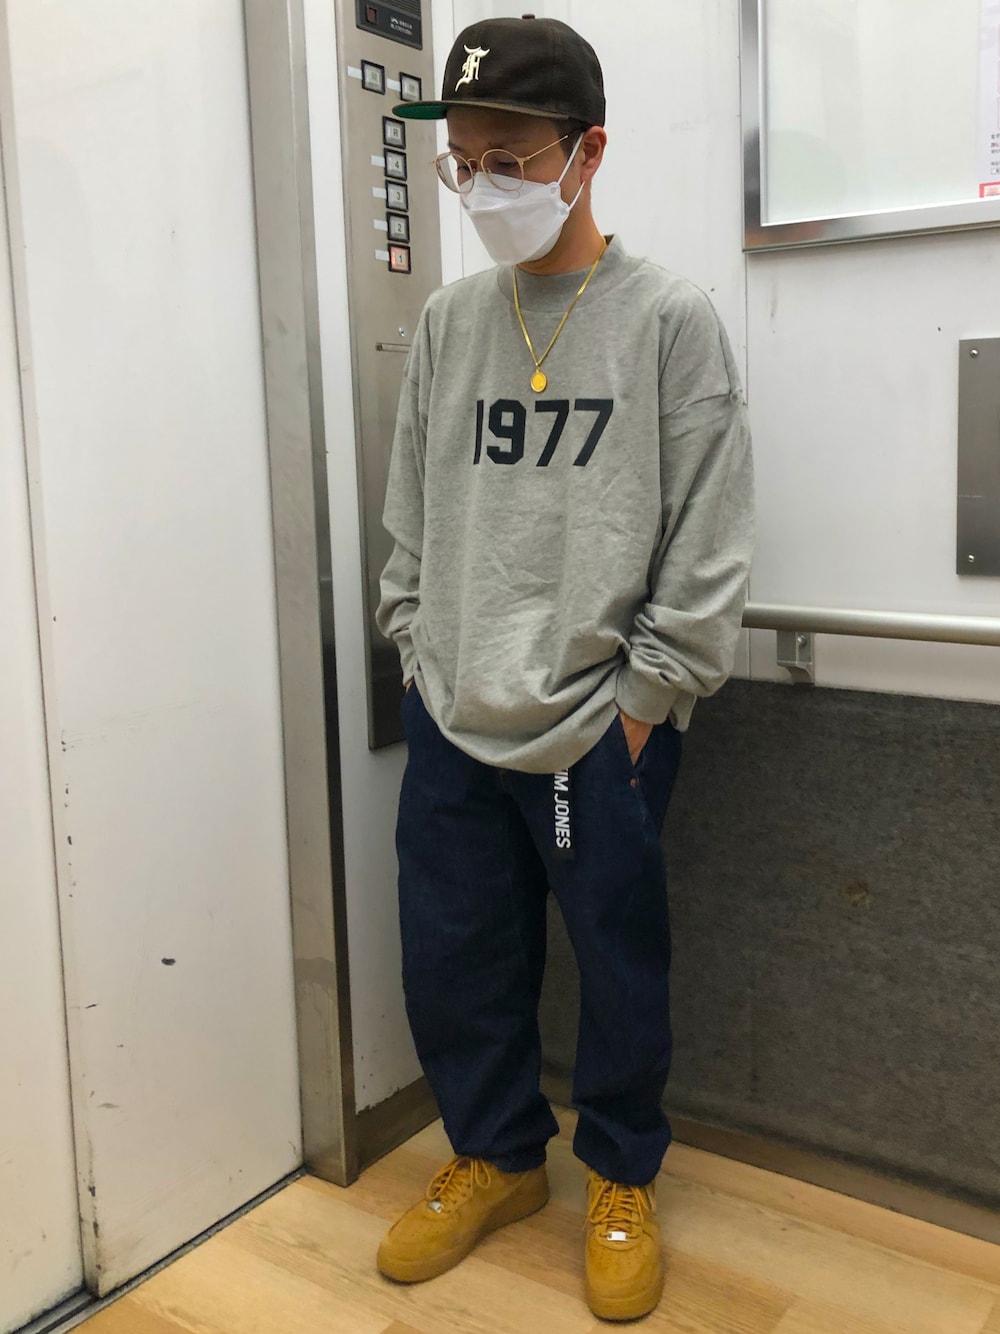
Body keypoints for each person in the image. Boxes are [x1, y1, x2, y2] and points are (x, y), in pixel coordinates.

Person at [375, 14, 754, 1322]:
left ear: (586, 154)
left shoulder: (669, 322)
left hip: (601, 719)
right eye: (462, 160)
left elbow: (708, 539)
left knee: (619, 965)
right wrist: (416, 645)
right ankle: (495, 1157)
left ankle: (621, 1174)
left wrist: (646, 704)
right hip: (453, 706)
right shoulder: (450, 323)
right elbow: (412, 510)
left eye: (510, 157)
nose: (482, 185)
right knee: (454, 954)